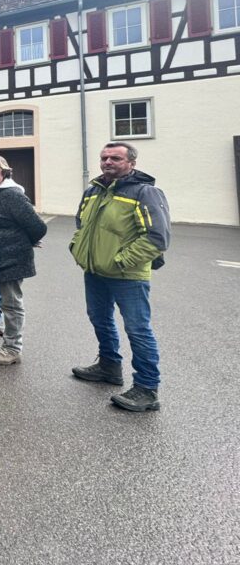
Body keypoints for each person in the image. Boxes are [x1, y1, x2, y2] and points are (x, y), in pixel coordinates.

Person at [70, 141, 170, 412]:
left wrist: (121, 261)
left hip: (128, 275)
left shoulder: (145, 192)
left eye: (115, 158)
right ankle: (109, 366)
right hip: (94, 271)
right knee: (99, 319)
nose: (108, 162)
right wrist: (77, 249)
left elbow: (157, 238)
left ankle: (147, 389)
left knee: (138, 329)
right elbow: (81, 224)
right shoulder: (93, 191)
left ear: (131, 163)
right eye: (104, 158)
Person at [0, 154, 47, 366]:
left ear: (4, 171)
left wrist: (25, 242)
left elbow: (38, 227)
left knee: (11, 304)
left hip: (11, 258)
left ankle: (12, 348)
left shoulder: (12, 195)